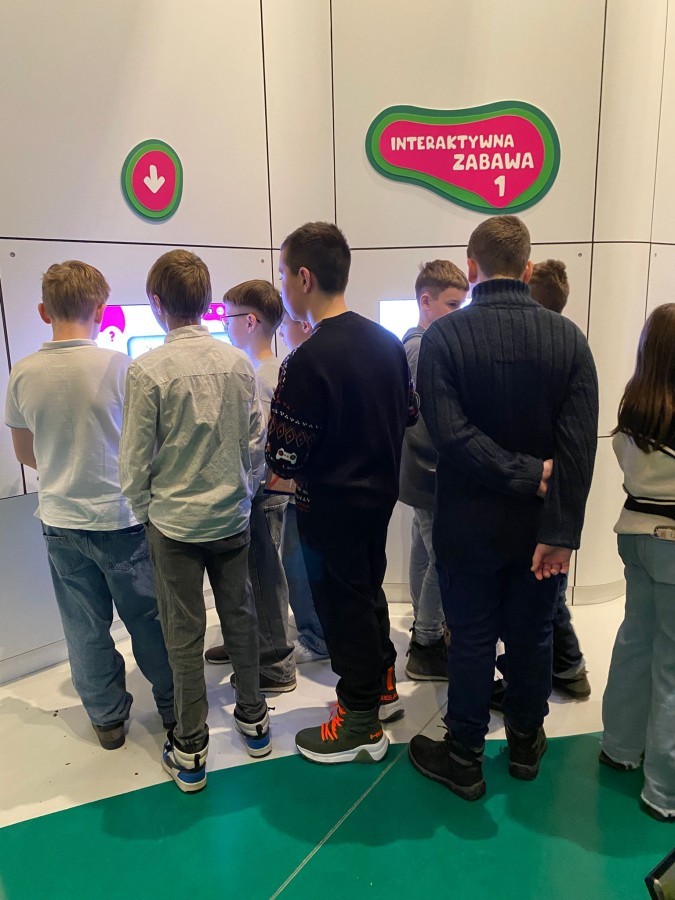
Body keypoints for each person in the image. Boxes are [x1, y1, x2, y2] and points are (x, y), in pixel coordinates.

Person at [409, 215, 598, 801]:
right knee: (533, 635)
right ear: (529, 267)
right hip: (541, 531)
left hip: (466, 526)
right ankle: (525, 745)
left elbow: (451, 437)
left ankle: (464, 756)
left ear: (471, 268)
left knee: (470, 639)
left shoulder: (443, 339)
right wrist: (561, 528)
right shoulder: (569, 339)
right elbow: (579, 449)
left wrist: (519, 473)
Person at [4, 260, 174, 752]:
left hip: (60, 520)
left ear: (43, 311)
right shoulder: (124, 369)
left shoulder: (23, 374)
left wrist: (64, 465)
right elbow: (149, 448)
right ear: (101, 310)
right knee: (149, 620)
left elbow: (25, 453)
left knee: (83, 627)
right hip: (123, 518)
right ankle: (173, 707)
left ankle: (107, 721)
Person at [266, 221, 418, 764]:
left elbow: (282, 457)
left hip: (328, 509)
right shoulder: (387, 343)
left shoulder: (306, 361)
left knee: (342, 608)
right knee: (367, 593)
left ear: (304, 277)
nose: (282, 285)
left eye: (283, 273)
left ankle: (359, 724)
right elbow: (410, 413)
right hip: (378, 501)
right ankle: (380, 688)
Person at [119, 250, 270, 793]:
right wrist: (245, 492)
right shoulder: (238, 364)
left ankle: (190, 748)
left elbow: (134, 461)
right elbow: (255, 442)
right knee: (241, 619)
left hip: (175, 527)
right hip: (231, 518)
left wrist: (146, 512)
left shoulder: (147, 370)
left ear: (156, 303)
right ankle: (254, 720)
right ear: (208, 303)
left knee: (183, 635)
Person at [600, 303, 675, 823]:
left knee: (635, 642)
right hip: (672, 543)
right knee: (672, 665)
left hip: (635, 536)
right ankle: (664, 792)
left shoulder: (634, 412)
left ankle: (620, 746)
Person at [204, 280, 297, 692]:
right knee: (257, 575)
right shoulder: (271, 369)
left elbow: (256, 445)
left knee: (261, 576)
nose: (225, 325)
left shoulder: (259, 376)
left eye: (229, 317)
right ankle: (248, 644)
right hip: (266, 489)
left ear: (251, 320)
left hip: (260, 490)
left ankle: (274, 664)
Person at [399, 260, 468, 681]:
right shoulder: (421, 348)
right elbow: (429, 421)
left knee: (425, 552)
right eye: (452, 304)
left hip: (421, 469)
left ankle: (424, 631)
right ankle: (426, 642)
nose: (459, 313)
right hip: (431, 469)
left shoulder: (416, 344)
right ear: (426, 301)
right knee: (441, 555)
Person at [277, 312, 330, 663]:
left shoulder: (298, 365)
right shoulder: (369, 349)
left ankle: (316, 636)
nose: (282, 332)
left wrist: (282, 464)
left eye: (287, 325)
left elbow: (285, 447)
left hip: (305, 490)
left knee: (299, 565)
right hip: (342, 492)